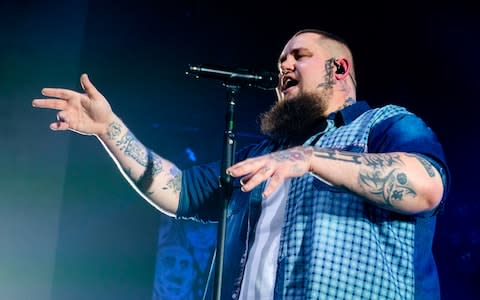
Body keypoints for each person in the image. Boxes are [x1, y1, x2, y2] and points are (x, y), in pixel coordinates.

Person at [32, 29, 449, 299]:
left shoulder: (383, 125)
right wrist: (110, 129)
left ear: (338, 68)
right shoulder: (258, 158)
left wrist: (308, 158)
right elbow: (175, 191)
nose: (283, 66)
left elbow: (426, 185)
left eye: (298, 56)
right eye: (281, 61)